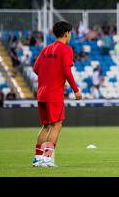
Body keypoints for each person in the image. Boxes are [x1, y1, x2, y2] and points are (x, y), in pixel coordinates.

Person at [32, 21, 82, 167]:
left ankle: (38, 158)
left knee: (45, 126)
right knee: (56, 125)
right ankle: (47, 159)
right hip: (54, 93)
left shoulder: (46, 49)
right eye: (71, 33)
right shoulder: (66, 49)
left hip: (42, 93)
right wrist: (75, 89)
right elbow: (67, 71)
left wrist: (48, 74)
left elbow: (36, 69)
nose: (71, 36)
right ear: (66, 33)